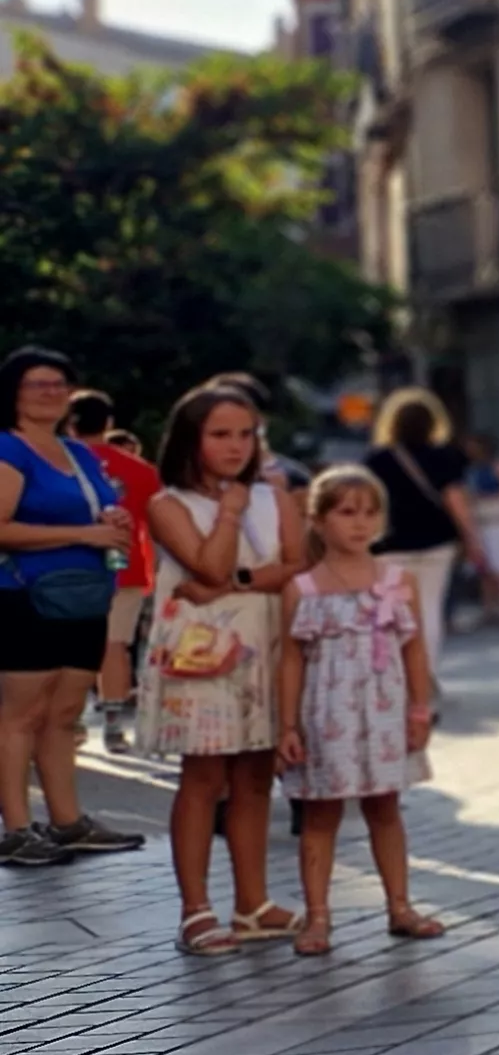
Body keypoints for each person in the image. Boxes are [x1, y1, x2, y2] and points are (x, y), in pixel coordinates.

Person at [144, 382, 300, 954]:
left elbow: (294, 566)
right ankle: (195, 908)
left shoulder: (276, 497)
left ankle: (253, 901)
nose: (236, 446)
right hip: (202, 656)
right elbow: (206, 565)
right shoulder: (169, 505)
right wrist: (230, 514)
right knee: (204, 778)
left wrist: (239, 582)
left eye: (245, 434)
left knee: (256, 776)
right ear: (192, 438)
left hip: (264, 646)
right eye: (220, 435)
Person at [272, 465, 441, 954]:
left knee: (385, 808)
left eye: (370, 513)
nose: (360, 523)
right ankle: (318, 917)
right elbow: (290, 659)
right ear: (319, 520)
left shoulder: (397, 579)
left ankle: (400, 906)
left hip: (383, 717)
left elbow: (414, 649)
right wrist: (287, 725)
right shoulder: (302, 589)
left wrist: (419, 709)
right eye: (347, 512)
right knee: (319, 816)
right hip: (327, 718)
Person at [0, 346, 146, 867]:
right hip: (26, 597)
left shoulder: (80, 454)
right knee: (21, 714)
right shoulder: (8, 449)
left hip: (83, 597)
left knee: (64, 713)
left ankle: (67, 822)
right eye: (37, 384)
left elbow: (100, 512)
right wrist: (84, 532)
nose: (50, 393)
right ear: (13, 392)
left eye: (59, 384)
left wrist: (112, 527)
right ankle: (15, 828)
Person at [66, 391, 158, 753]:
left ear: (70, 422)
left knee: (68, 643)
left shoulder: (56, 462)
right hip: (127, 566)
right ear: (108, 423)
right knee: (115, 645)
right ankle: (114, 725)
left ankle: (70, 721)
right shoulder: (141, 471)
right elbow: (160, 521)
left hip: (68, 565)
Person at [364, 390, 481, 635]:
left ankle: (393, 667)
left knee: (390, 610)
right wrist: (472, 539)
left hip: (389, 546)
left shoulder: (377, 460)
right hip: (436, 542)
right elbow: (455, 500)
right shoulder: (446, 456)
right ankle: (426, 669)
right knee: (429, 607)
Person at [459, 433, 499, 626]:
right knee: (483, 567)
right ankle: (489, 609)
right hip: (478, 521)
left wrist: (491, 496)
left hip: (495, 520)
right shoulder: (470, 470)